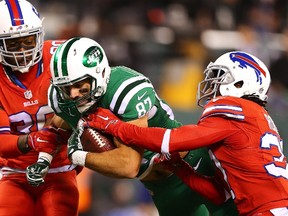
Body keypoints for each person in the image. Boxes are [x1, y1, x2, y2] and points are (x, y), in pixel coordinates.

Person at [48, 36, 238, 215]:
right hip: (161, 188)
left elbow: (129, 165)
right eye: (66, 87)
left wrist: (78, 156)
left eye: (80, 84)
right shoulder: (63, 102)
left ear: (99, 73)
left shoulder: (124, 89)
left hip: (194, 164)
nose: (73, 94)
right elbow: (56, 124)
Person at [86, 51, 288, 216]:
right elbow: (220, 195)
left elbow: (171, 140)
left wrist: (114, 126)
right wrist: (181, 169)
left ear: (240, 84)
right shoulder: (255, 120)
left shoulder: (235, 107)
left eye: (220, 77)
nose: (212, 84)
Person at [0, 0, 79, 215]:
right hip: (13, 171)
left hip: (60, 166)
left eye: (28, 40)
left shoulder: (62, 57)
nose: (23, 50)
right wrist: (31, 141)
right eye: (13, 44)